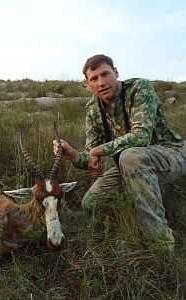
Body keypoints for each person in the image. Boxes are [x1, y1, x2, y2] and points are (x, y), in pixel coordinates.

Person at [53, 54, 186, 252]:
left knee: (130, 156)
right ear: (87, 84)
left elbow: (140, 137)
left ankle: (162, 246)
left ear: (116, 72)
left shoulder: (140, 88)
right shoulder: (93, 109)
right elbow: (91, 155)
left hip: (172, 154)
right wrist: (73, 154)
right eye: (94, 79)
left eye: (105, 74)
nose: (101, 82)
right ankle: (166, 202)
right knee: (91, 202)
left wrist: (98, 150)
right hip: (132, 166)